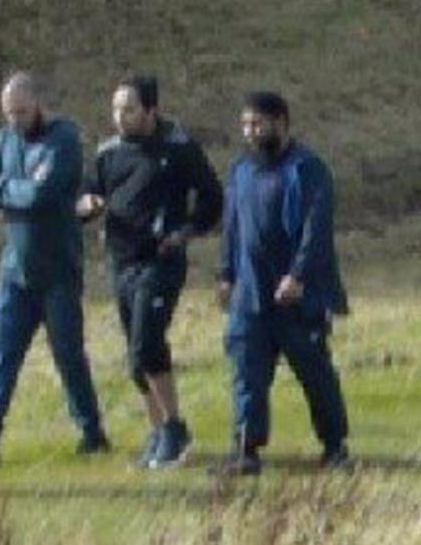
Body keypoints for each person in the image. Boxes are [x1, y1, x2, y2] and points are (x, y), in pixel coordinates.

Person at [0, 72, 110, 465]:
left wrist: (11, 189)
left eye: (21, 111)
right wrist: (17, 188)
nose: (15, 120)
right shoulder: (5, 140)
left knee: (68, 355)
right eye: (8, 112)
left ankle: (91, 431)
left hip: (58, 269)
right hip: (15, 271)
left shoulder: (63, 139)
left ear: (38, 104)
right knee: (1, 355)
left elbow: (44, 192)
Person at [77, 75, 222, 469]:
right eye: (116, 110)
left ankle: (175, 428)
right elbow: (88, 193)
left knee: (147, 342)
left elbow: (212, 197)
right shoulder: (109, 153)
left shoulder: (178, 148)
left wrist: (186, 232)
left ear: (151, 111)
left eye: (129, 110)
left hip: (160, 261)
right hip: (121, 261)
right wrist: (87, 204)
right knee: (134, 357)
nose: (120, 118)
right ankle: (158, 431)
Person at [219, 91, 349, 475]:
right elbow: (232, 227)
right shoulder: (241, 170)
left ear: (281, 122)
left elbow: (316, 228)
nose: (250, 131)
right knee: (247, 373)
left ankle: (334, 445)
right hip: (251, 294)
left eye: (257, 123)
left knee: (314, 373)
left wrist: (299, 275)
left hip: (295, 298)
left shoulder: (307, 169)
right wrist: (225, 275)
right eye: (245, 124)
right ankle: (246, 449)